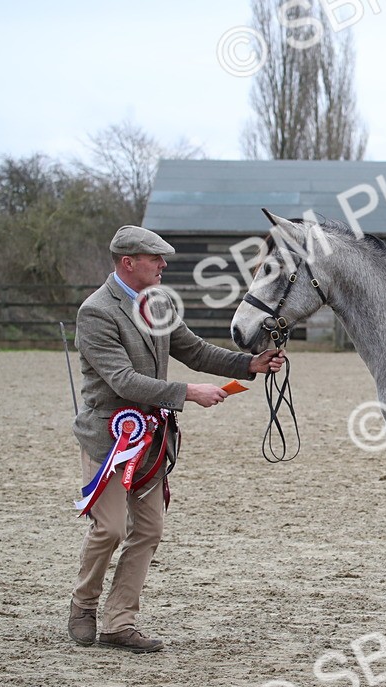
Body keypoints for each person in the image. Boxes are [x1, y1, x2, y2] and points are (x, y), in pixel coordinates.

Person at [68, 225, 286, 653]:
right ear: (128, 263)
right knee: (110, 529)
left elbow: (196, 350)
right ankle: (83, 604)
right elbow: (123, 380)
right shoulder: (95, 312)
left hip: (151, 438)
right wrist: (189, 392)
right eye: (156, 259)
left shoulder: (158, 302)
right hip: (109, 437)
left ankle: (118, 622)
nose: (164, 265)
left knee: (148, 530)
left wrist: (250, 364)